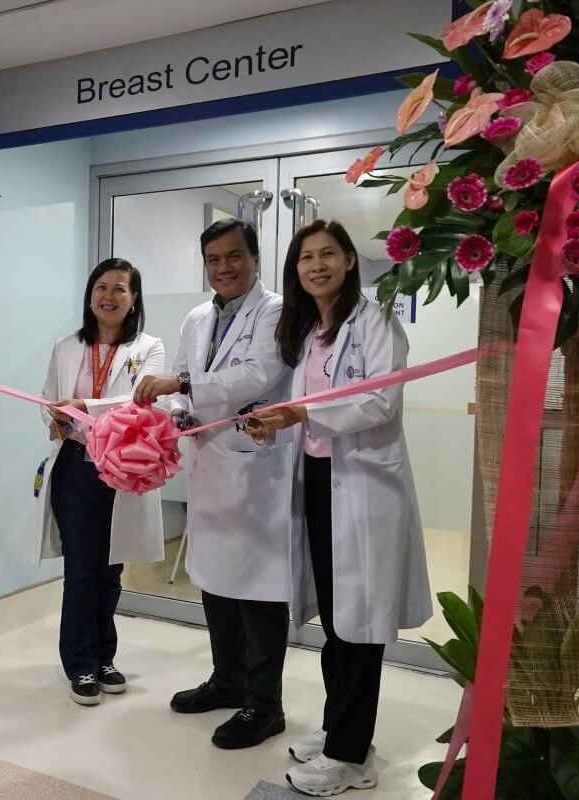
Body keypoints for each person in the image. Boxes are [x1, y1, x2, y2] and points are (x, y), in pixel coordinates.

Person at [245, 220, 432, 795]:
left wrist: (302, 415)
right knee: (337, 619)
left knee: (360, 626)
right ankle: (339, 732)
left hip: (365, 487)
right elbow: (300, 404)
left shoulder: (376, 319)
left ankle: (350, 757)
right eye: (306, 258)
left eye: (328, 254)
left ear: (351, 261)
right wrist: (277, 421)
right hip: (320, 481)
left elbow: (378, 401)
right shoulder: (311, 331)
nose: (316, 265)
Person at [134, 218, 292, 750]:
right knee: (217, 584)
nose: (223, 267)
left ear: (254, 258)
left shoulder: (275, 312)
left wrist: (181, 386)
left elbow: (257, 374)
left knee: (259, 590)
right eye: (213, 259)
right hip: (209, 466)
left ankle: (265, 705)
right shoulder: (198, 316)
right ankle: (228, 681)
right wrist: (177, 411)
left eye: (234, 256)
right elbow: (183, 377)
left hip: (256, 471)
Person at [36, 258, 166, 706]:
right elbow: (47, 396)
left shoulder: (149, 348)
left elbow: (139, 403)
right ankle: (80, 663)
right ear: (90, 295)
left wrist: (84, 407)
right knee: (82, 570)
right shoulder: (66, 345)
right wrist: (53, 415)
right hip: (76, 466)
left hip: (124, 467)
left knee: (112, 570)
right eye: (101, 287)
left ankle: (105, 657)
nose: (109, 296)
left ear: (134, 300)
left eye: (121, 289)